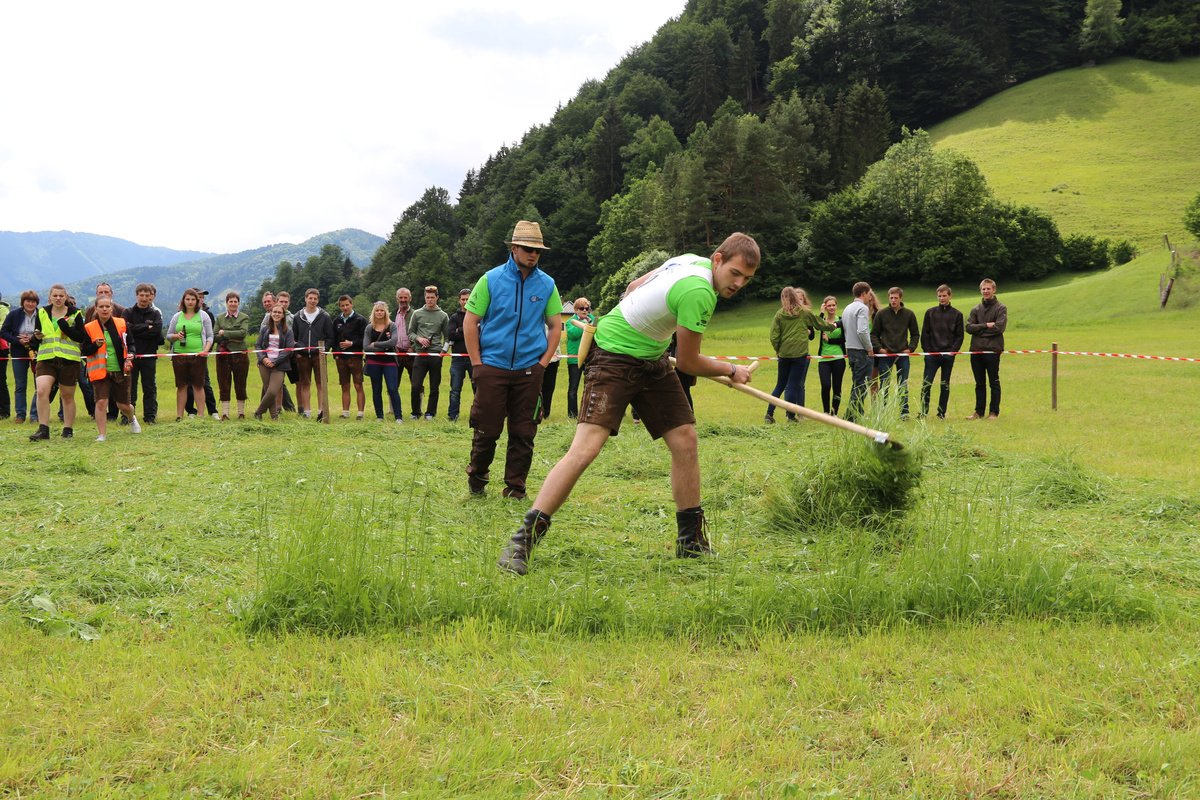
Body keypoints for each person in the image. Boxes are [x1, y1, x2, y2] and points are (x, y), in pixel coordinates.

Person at [496, 232, 760, 576]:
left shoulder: (689, 261)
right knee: (586, 449)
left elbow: (635, 285)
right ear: (718, 260)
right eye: (735, 273)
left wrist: (642, 322)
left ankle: (691, 542)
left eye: (746, 279)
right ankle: (522, 542)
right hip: (613, 358)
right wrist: (732, 370)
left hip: (651, 358)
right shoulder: (698, 291)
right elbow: (688, 362)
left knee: (685, 440)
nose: (738, 283)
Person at [464, 220, 562, 499]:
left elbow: (556, 326)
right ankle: (477, 477)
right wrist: (477, 364)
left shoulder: (547, 284)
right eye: (528, 249)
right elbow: (471, 322)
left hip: (529, 370)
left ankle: (515, 488)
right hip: (492, 366)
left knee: (524, 432)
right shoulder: (490, 279)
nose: (533, 255)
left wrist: (542, 364)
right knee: (486, 429)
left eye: (538, 251)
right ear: (514, 248)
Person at [765, 287, 834, 423]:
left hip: (784, 354)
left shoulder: (779, 314)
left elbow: (774, 336)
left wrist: (778, 350)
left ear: (783, 298)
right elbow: (819, 324)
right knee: (792, 385)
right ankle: (791, 416)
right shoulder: (804, 312)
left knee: (780, 385)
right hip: (799, 354)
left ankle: (769, 413)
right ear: (795, 297)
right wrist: (833, 326)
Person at [28, 284, 86, 441]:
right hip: (46, 358)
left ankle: (68, 429)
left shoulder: (75, 313)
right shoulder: (42, 312)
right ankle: (43, 429)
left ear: (66, 297)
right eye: (55, 295)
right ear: (50, 297)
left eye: (61, 296)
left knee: (67, 395)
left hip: (69, 360)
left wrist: (65, 328)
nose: (58, 298)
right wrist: (36, 337)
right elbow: (36, 337)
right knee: (41, 391)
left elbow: (81, 337)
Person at [81, 297, 141, 441]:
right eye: (101, 306)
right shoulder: (89, 327)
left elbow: (131, 344)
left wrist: (131, 354)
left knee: (123, 405)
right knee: (101, 402)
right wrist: (95, 345)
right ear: (96, 309)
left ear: (111, 308)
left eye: (107, 306)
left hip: (121, 369)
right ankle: (102, 434)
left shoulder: (121, 324)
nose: (104, 309)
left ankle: (132, 419)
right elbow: (84, 350)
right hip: (100, 371)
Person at [870, 287, 919, 417]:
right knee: (884, 384)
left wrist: (911, 348)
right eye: (891, 298)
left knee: (903, 384)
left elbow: (915, 334)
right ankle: (883, 412)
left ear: (900, 298)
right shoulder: (881, 314)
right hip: (886, 355)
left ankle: (904, 412)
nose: (893, 300)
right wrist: (879, 349)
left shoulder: (909, 314)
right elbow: (874, 334)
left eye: (896, 298)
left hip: (902, 355)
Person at [165, 288, 213, 421]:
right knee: (181, 386)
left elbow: (210, 336)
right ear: (183, 301)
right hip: (179, 356)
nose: (190, 302)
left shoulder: (203, 316)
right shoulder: (177, 316)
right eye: (187, 299)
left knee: (198, 386)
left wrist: (205, 350)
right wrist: (176, 336)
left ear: (197, 301)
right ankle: (179, 416)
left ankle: (201, 416)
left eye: (193, 299)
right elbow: (168, 336)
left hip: (198, 356)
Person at [920, 284, 965, 419]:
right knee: (926, 384)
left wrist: (952, 352)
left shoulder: (957, 314)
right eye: (939, 296)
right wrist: (927, 351)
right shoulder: (930, 313)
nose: (942, 298)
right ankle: (923, 412)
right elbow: (925, 334)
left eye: (944, 296)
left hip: (948, 356)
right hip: (932, 356)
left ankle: (941, 413)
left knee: (944, 385)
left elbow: (959, 336)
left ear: (950, 296)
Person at [965, 278, 1007, 419]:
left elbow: (999, 328)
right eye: (983, 289)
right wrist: (985, 325)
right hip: (976, 350)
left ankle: (994, 412)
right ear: (980, 290)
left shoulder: (1001, 308)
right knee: (979, 383)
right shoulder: (975, 309)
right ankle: (979, 412)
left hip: (993, 350)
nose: (986, 291)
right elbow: (968, 328)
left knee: (993, 382)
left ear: (994, 290)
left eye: (988, 288)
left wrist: (979, 330)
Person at [291, 288, 335, 419]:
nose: (312, 301)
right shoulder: (297, 317)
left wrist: (324, 349)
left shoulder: (325, 316)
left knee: (321, 384)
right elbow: (294, 337)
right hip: (303, 356)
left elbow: (330, 336)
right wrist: (299, 350)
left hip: (318, 355)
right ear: (305, 299)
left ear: (318, 300)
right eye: (310, 298)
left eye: (315, 298)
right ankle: (307, 412)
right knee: (305, 383)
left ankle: (321, 411)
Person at [407, 285, 450, 420]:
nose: (430, 300)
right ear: (424, 298)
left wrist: (443, 352)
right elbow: (410, 333)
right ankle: (415, 412)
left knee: (434, 386)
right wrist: (419, 339)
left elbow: (448, 337)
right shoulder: (417, 314)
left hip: (435, 355)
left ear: (437, 298)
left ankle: (430, 413)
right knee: (416, 385)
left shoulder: (443, 316)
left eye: (432, 297)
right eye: (427, 297)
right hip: (420, 354)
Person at [123, 283, 163, 424]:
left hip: (149, 356)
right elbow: (126, 330)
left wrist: (136, 329)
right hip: (130, 356)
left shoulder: (155, 313)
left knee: (149, 387)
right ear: (136, 296)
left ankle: (150, 417)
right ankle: (127, 417)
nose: (144, 298)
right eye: (141, 295)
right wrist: (147, 327)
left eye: (147, 295)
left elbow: (156, 332)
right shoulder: (127, 312)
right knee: (129, 387)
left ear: (151, 296)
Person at [2, 291, 40, 423]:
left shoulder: (42, 315)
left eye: (33, 301)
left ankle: (35, 415)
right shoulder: (14, 314)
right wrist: (18, 341)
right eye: (28, 301)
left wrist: (33, 338)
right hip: (18, 353)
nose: (30, 304)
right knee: (20, 385)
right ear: (23, 302)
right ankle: (20, 414)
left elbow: (45, 333)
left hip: (37, 353)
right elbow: (4, 332)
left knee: (39, 385)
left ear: (37, 303)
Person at [252, 304, 295, 420]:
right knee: (267, 390)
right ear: (271, 314)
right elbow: (258, 345)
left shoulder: (288, 331)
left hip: (279, 365)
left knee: (272, 391)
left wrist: (275, 361)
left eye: (279, 312)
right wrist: (263, 358)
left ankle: (258, 412)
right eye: (274, 312)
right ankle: (274, 416)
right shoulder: (265, 329)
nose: (276, 314)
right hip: (264, 364)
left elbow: (289, 349)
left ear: (283, 315)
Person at [213, 291, 252, 420]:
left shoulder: (244, 317)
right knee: (223, 383)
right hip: (223, 355)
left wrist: (224, 333)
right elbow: (215, 336)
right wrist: (231, 335)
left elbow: (242, 333)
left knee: (240, 383)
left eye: (235, 301)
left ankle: (241, 413)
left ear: (238, 303)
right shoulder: (219, 318)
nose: (233, 304)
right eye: (231, 301)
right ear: (227, 303)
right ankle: (225, 413)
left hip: (240, 355)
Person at [363, 300, 404, 422]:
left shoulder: (392, 326)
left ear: (386, 312)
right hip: (373, 362)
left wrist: (375, 344)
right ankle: (379, 416)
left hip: (389, 362)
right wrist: (384, 347)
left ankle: (398, 417)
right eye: (377, 310)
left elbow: (393, 342)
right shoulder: (369, 327)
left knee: (392, 389)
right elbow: (366, 347)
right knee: (376, 389)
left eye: (382, 310)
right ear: (373, 312)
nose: (379, 312)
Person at [841, 282, 875, 422]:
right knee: (861, 386)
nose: (870, 297)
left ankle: (857, 414)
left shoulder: (847, 308)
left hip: (850, 349)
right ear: (864, 293)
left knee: (856, 384)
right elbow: (862, 331)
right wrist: (869, 347)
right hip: (861, 351)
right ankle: (850, 417)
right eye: (869, 294)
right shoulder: (862, 308)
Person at [183, 290, 219, 417]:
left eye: (202, 297)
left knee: (205, 383)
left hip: (202, 354)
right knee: (188, 385)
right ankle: (191, 411)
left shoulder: (208, 314)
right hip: (185, 354)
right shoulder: (182, 314)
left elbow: (210, 334)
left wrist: (207, 350)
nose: (201, 299)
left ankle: (212, 410)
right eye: (199, 297)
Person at [333, 294, 367, 419]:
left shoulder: (360, 320)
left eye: (347, 305)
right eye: (342, 305)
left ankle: (360, 413)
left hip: (355, 357)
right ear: (340, 307)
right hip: (341, 358)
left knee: (358, 385)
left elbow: (365, 339)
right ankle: (345, 413)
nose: (345, 307)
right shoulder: (336, 321)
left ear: (351, 304)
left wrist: (352, 343)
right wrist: (336, 354)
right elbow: (333, 339)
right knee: (344, 385)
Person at [564, 297, 595, 419]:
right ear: (576, 310)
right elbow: (573, 334)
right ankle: (572, 415)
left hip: (590, 359)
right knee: (573, 388)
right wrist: (585, 325)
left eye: (587, 308)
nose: (585, 310)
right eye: (582, 308)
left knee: (591, 387)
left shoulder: (593, 320)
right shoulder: (570, 321)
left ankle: (588, 413)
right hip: (575, 360)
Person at [445, 288, 473, 422]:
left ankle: (478, 415)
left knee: (478, 388)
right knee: (455, 389)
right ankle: (453, 416)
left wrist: (460, 330)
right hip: (458, 358)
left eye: (468, 299)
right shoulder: (454, 317)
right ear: (459, 300)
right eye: (463, 299)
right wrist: (468, 329)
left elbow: (480, 333)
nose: (465, 301)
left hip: (474, 357)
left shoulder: (478, 315)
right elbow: (451, 335)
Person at [816, 296, 846, 416]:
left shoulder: (841, 320)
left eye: (833, 305)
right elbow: (816, 326)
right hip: (824, 358)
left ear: (836, 306)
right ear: (825, 307)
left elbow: (844, 339)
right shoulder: (822, 320)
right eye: (829, 305)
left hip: (838, 358)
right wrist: (821, 313)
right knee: (826, 385)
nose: (832, 307)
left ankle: (834, 413)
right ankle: (825, 412)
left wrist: (830, 340)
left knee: (837, 387)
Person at [393, 287, 414, 406]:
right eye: (400, 297)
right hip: (397, 353)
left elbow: (420, 332)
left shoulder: (416, 314)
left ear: (410, 298)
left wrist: (413, 347)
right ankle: (392, 409)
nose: (403, 300)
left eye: (405, 297)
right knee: (394, 383)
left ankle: (417, 409)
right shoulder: (392, 314)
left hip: (412, 353)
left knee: (416, 383)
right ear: (397, 299)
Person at [0, 292, 12, 420]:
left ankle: (4, 410)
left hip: (1, 348)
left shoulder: (3, 310)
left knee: (0, 380)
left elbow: (3, 328)